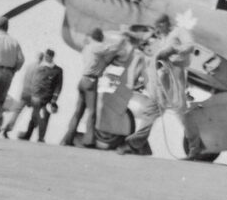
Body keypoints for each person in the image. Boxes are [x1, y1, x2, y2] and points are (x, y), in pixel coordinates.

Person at [119, 14, 204, 159]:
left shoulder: (179, 32)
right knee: (152, 109)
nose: (157, 30)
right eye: (156, 27)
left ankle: (196, 147)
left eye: (159, 26)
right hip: (163, 76)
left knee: (181, 111)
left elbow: (190, 46)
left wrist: (174, 50)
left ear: (165, 24)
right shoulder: (163, 38)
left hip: (175, 75)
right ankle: (136, 143)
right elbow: (145, 40)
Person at [59, 28, 120, 148]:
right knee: (92, 112)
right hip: (91, 82)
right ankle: (89, 141)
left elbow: (99, 60)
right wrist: (124, 39)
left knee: (78, 112)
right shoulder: (97, 46)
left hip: (83, 80)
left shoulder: (87, 47)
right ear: (100, 37)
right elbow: (114, 48)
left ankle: (68, 139)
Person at [18, 49, 62, 142]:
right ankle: (30, 135)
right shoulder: (40, 67)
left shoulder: (58, 70)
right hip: (37, 96)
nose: (46, 58)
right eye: (46, 56)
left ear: (51, 57)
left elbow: (58, 86)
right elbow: (35, 82)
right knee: (35, 116)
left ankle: (39, 137)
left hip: (48, 98)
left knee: (44, 117)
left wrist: (54, 99)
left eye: (48, 56)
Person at [1, 51, 43, 138]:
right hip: (34, 94)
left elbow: (24, 79)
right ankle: (31, 134)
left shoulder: (29, 66)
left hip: (25, 92)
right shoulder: (41, 69)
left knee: (17, 112)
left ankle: (7, 128)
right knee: (35, 114)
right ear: (42, 58)